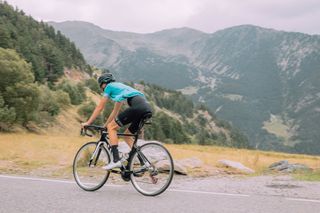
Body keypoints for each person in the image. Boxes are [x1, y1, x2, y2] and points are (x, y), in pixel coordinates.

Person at [81, 73, 152, 170]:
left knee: (112, 127)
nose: (102, 89)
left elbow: (100, 107)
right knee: (126, 136)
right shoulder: (120, 88)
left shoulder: (109, 87)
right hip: (146, 108)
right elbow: (115, 112)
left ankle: (116, 160)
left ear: (104, 83)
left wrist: (88, 122)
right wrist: (105, 126)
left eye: (101, 86)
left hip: (137, 108)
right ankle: (144, 162)